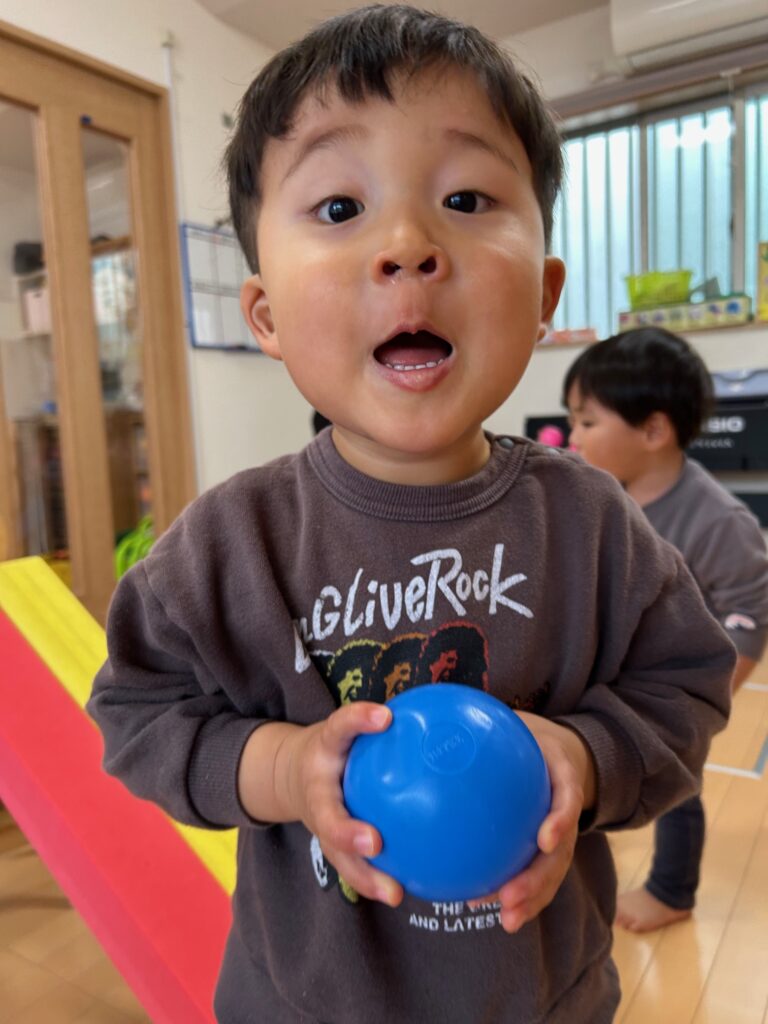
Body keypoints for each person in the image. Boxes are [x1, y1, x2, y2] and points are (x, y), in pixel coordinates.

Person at [87, 8, 735, 1022]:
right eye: (340, 207)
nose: (407, 246)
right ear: (265, 315)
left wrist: (582, 757)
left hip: (541, 1000)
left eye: (465, 198)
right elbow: (136, 713)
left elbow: (685, 685)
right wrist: (282, 766)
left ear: (544, 297)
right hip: (299, 1005)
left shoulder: (592, 525)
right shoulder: (229, 545)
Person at [564, 326, 768, 933]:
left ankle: (672, 891)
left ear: (654, 431)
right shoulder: (601, 500)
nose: (573, 437)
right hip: (611, 678)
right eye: (572, 421)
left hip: (673, 691)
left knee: (677, 784)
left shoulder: (717, 520)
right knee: (600, 764)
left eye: (587, 422)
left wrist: (699, 702)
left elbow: (750, 611)